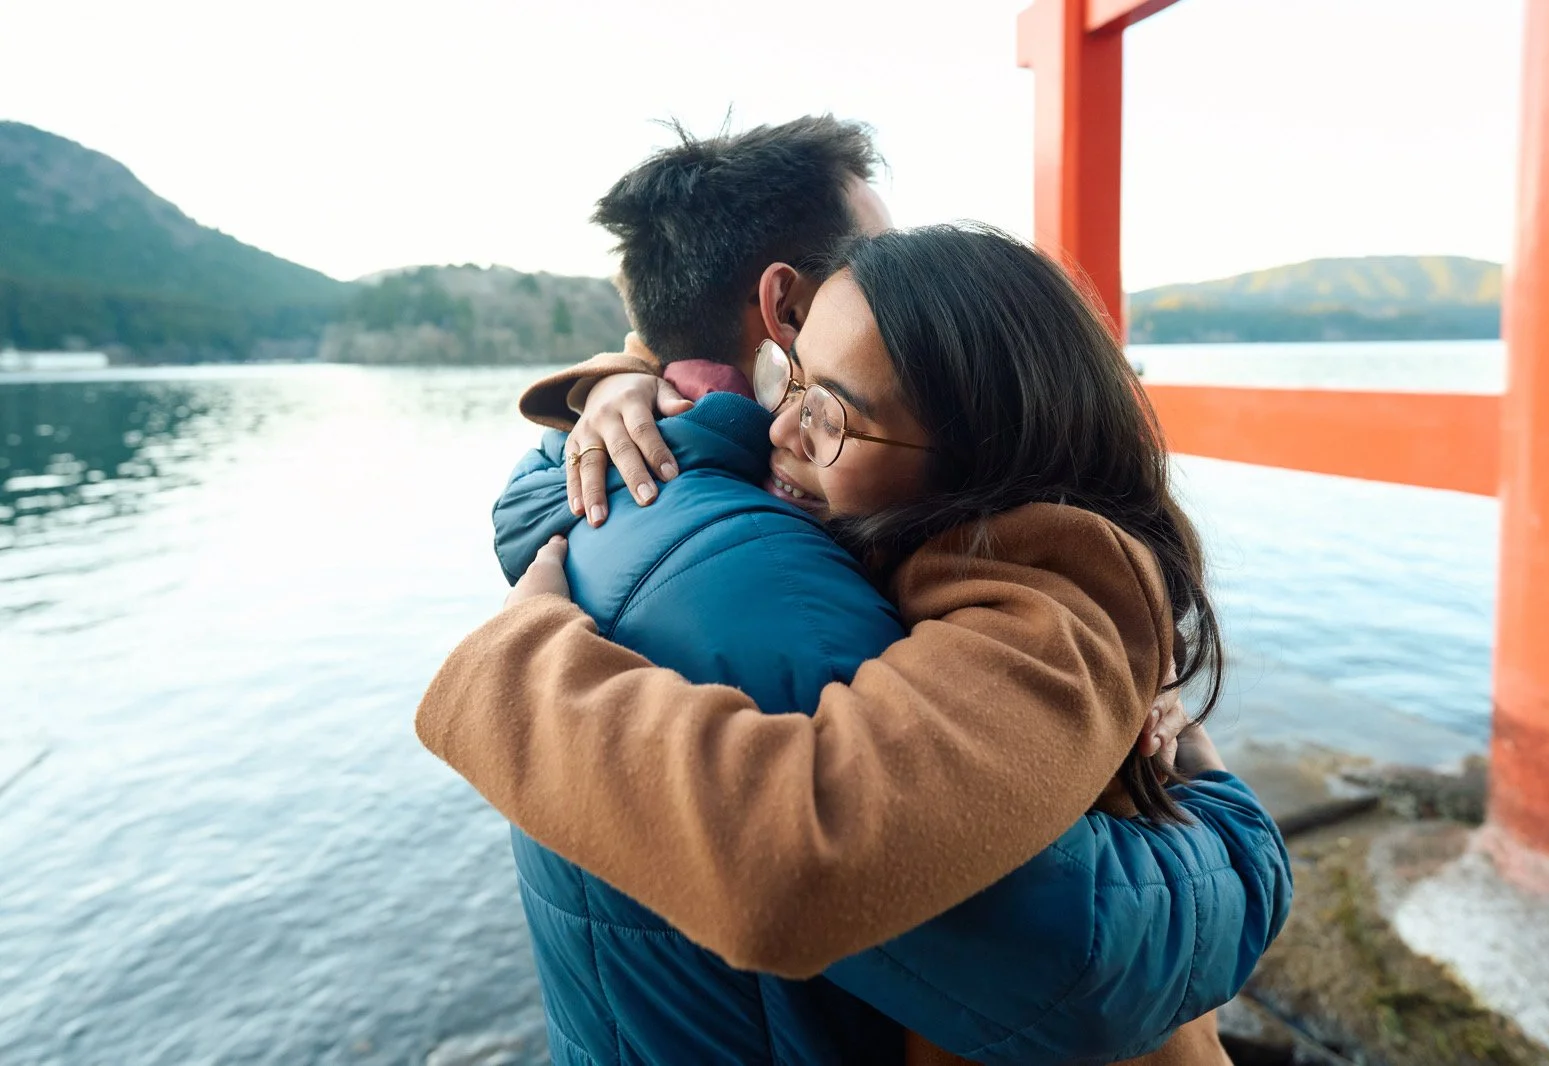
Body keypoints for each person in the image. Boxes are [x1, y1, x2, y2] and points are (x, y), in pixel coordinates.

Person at [418, 143, 1289, 1065]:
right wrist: (616, 380)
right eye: (789, 377)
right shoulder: (838, 518)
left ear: (982, 447)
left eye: (826, 408)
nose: (782, 426)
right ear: (782, 311)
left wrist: (516, 662)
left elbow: (797, 856)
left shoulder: (1049, 598)